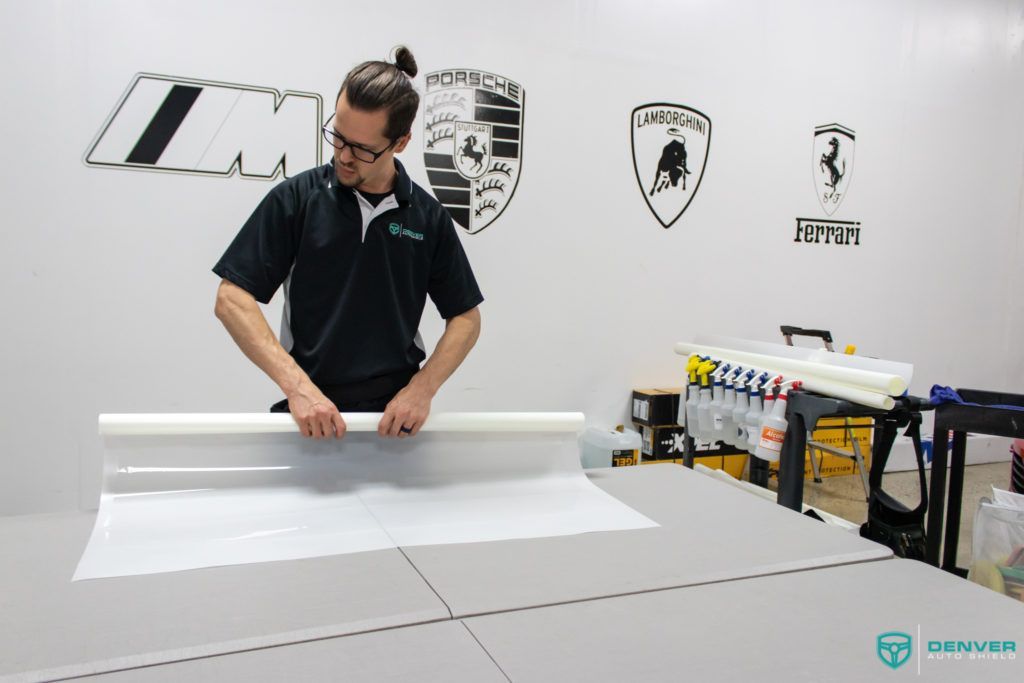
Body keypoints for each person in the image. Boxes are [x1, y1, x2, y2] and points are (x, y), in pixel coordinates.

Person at [212, 46, 483, 441]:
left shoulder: (428, 219)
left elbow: (466, 319)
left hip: (394, 424)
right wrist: (298, 388)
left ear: (401, 142)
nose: (343, 156)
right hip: (310, 415)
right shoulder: (296, 200)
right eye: (338, 137)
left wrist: (422, 390)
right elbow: (231, 299)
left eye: (361, 148)